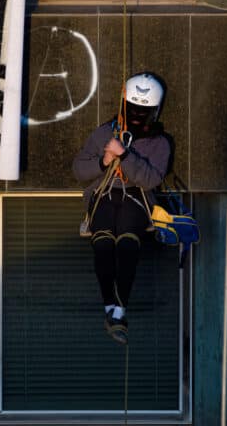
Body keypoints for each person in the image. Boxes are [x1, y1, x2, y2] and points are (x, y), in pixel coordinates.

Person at [72, 72, 172, 345]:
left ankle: (119, 309)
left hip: (138, 197)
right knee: (103, 241)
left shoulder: (160, 143)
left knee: (127, 240)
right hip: (104, 192)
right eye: (134, 111)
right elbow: (79, 169)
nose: (138, 117)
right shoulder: (105, 132)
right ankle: (110, 307)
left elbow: (151, 179)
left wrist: (125, 156)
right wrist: (104, 161)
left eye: (144, 112)